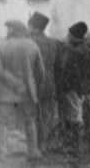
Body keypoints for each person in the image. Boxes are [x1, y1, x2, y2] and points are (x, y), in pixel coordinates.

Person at [0, 20, 45, 160]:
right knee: (30, 121)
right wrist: (35, 88)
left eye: (8, 29)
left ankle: (1, 153)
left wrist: (14, 83)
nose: (7, 31)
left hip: (6, 91)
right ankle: (33, 151)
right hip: (28, 91)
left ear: (12, 30)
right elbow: (40, 71)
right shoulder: (32, 45)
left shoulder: (1, 45)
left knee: (1, 122)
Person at [56, 22, 90, 156]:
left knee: (74, 117)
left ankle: (75, 147)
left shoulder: (72, 51)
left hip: (72, 87)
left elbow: (66, 70)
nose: (67, 36)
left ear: (74, 36)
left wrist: (62, 87)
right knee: (82, 114)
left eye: (69, 34)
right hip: (85, 87)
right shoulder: (89, 50)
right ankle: (84, 143)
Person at [27, 11, 63, 152]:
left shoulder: (29, 42)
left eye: (29, 25)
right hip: (49, 84)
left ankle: (35, 144)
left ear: (33, 26)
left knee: (33, 115)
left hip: (33, 83)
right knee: (47, 115)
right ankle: (44, 144)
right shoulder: (54, 43)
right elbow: (59, 67)